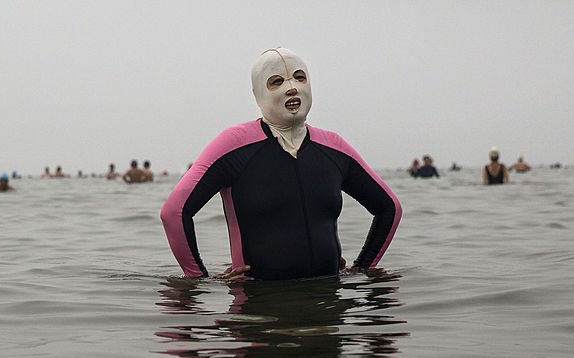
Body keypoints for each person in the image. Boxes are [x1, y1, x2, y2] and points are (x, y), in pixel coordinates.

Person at [161, 47, 401, 281]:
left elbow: (389, 208)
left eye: (299, 77)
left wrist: (362, 269)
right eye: (276, 82)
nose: (292, 88)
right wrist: (200, 279)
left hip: (327, 302)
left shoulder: (333, 148)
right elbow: (174, 212)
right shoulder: (233, 145)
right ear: (258, 94)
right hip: (257, 308)